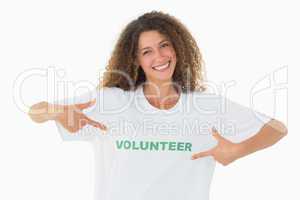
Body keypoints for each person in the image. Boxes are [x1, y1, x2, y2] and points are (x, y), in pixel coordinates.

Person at [28, 11, 288, 200]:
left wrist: (238, 150)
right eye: (147, 51)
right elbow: (34, 111)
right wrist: (56, 111)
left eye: (164, 46)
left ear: (177, 49)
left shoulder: (206, 104)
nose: (159, 56)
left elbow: (277, 128)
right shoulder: (112, 101)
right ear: (136, 60)